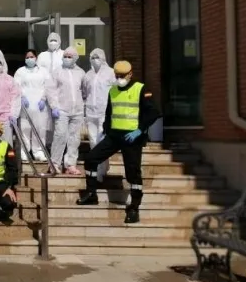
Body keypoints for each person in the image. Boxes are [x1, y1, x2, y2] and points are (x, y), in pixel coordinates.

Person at [77, 61, 161, 224]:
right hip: (114, 136)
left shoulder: (141, 89)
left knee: (133, 173)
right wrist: (107, 129)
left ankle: (134, 208)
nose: (119, 78)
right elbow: (109, 113)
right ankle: (91, 194)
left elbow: (153, 112)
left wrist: (140, 130)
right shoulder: (113, 90)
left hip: (132, 138)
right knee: (91, 159)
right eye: (117, 76)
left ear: (130, 74)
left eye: (122, 76)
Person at [46, 47, 86, 174]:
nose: (67, 58)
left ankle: (70, 165)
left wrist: (83, 104)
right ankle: (54, 163)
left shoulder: (81, 73)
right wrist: (54, 106)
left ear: (75, 58)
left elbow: (84, 90)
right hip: (62, 110)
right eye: (65, 56)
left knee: (74, 139)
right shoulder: (57, 72)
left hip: (77, 111)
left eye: (70, 56)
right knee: (60, 136)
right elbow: (50, 90)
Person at [83, 48, 116, 181]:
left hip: (104, 112)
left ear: (103, 58)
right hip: (91, 112)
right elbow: (85, 92)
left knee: (101, 142)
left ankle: (101, 171)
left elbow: (115, 91)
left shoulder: (111, 73)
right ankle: (99, 168)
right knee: (92, 141)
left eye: (97, 57)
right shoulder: (88, 75)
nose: (95, 60)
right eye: (93, 57)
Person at [13, 49, 51, 161]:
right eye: (27, 57)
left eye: (32, 57)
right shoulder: (20, 71)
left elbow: (48, 86)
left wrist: (43, 99)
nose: (30, 59)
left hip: (40, 105)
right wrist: (22, 97)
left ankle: (39, 151)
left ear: (36, 58)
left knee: (39, 128)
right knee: (25, 128)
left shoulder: (43, 71)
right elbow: (16, 86)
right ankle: (24, 151)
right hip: (25, 105)